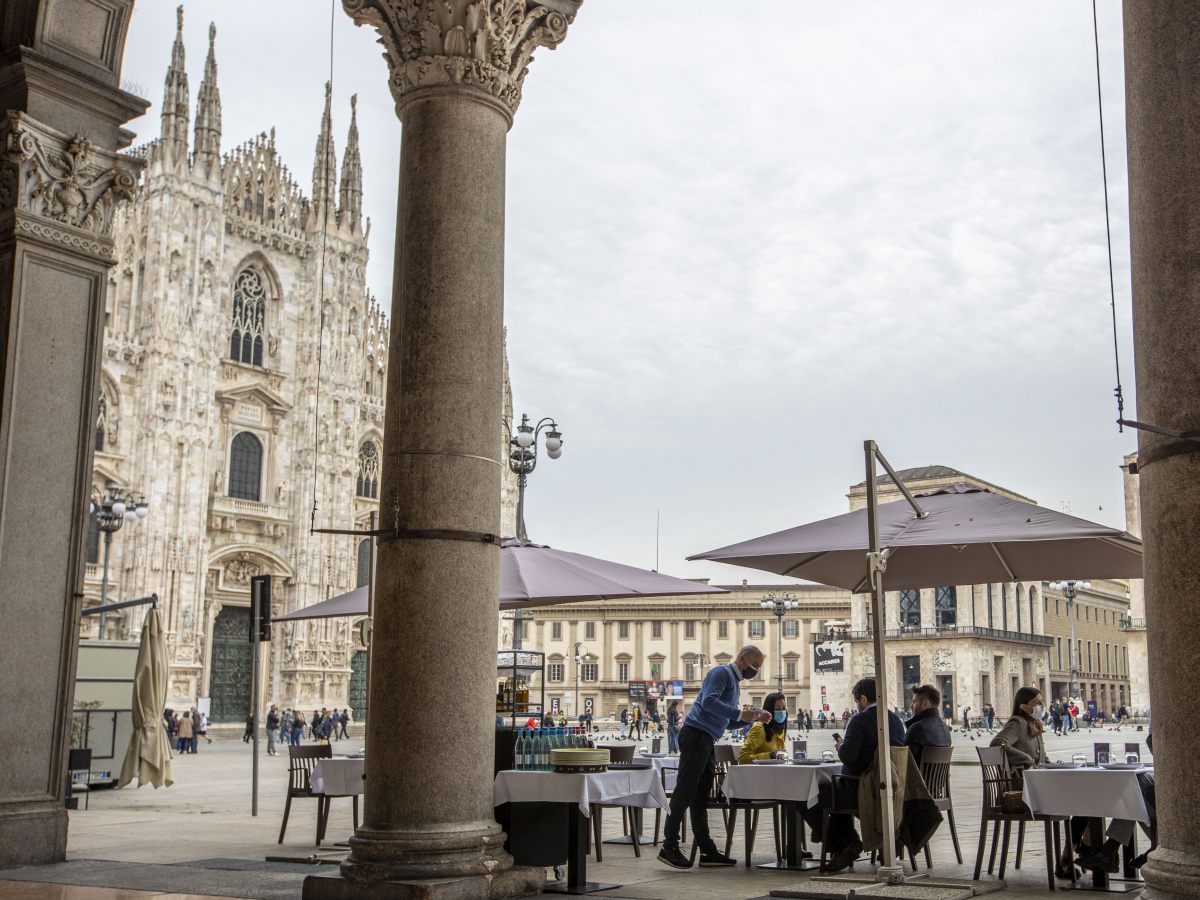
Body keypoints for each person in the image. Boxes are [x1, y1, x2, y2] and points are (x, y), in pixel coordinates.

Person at [657, 645, 770, 869]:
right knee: (685, 789)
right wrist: (741, 713)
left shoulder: (734, 683)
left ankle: (706, 850)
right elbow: (709, 701)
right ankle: (669, 845)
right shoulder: (721, 673)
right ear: (742, 658)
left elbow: (727, 721)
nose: (755, 670)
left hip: (706, 738)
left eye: (759, 666)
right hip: (696, 734)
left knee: (700, 796)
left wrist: (752, 718)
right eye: (755, 664)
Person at [800, 679, 906, 872]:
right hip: (890, 788)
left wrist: (840, 746)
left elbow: (848, 757)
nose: (857, 705)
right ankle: (845, 842)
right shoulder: (895, 719)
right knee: (834, 790)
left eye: (857, 701)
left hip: (862, 790)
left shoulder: (860, 719)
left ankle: (845, 843)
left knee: (809, 795)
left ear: (863, 699)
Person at [989, 686, 1046, 788]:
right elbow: (997, 743)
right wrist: (1026, 759)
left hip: (1035, 780)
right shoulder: (1018, 722)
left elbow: (1041, 757)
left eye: (1042, 702)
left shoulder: (1035, 724)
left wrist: (1054, 766)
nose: (1042, 706)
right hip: (1022, 783)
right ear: (1023, 706)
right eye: (1037, 703)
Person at [905, 684, 951, 767]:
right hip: (939, 780)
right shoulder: (945, 729)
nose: (911, 706)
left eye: (914, 701)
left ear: (925, 703)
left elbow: (904, 762)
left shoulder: (917, 728)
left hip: (918, 779)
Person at [738, 692, 789, 764]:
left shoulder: (779, 730)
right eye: (777, 709)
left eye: (783, 708)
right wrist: (770, 755)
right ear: (769, 710)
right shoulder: (759, 729)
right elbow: (743, 759)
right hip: (759, 773)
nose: (781, 712)